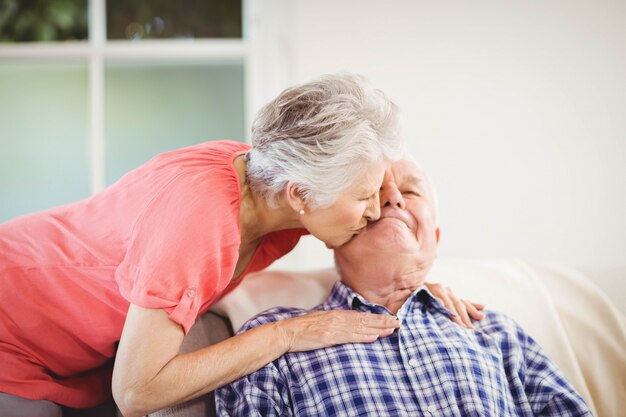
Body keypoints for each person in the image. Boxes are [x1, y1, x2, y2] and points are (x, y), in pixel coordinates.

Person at [0, 74, 478, 417]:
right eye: (363, 196)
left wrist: (416, 286)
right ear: (303, 195)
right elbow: (135, 392)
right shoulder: (202, 217)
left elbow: (378, 247)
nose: (375, 209)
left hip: (72, 350)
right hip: (13, 325)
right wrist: (287, 334)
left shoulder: (279, 189)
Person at [215, 156, 593, 417]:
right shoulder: (272, 339)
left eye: (410, 192)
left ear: (435, 238)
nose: (392, 197)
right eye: (371, 192)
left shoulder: (495, 333)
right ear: (331, 231)